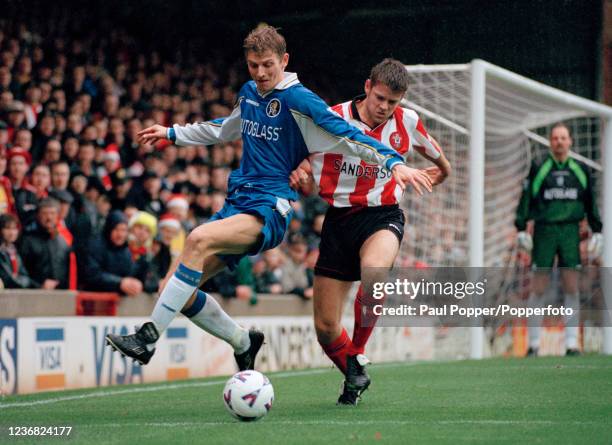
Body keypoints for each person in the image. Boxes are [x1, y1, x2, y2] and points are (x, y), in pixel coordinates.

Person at [105, 26, 432, 372]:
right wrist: (172, 133)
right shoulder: (249, 92)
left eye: (267, 65)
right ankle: (243, 341)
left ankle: (147, 339)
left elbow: (349, 135)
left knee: (197, 238)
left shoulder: (301, 100)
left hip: (269, 207)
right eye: (253, 65)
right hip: (237, 202)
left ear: (284, 61)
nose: (260, 73)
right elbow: (224, 128)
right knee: (173, 290)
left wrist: (394, 162)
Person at [289, 58, 451, 405]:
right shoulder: (331, 118)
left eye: (393, 102)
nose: (384, 108)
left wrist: (441, 173)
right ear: (367, 87)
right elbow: (299, 163)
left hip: (382, 216)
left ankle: (358, 351)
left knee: (375, 273)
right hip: (338, 221)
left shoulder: (407, 122)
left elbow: (440, 160)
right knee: (326, 327)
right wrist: (300, 175)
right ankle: (354, 372)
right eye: (380, 98)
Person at [515, 122, 603, 357]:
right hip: (544, 230)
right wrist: (521, 227)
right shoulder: (539, 167)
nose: (559, 142)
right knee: (538, 286)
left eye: (563, 138)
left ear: (570, 141)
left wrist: (598, 230)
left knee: (571, 285)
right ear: (550, 141)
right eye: (555, 138)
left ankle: (572, 344)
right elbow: (526, 197)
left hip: (570, 232)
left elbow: (590, 201)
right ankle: (533, 344)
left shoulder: (581, 170)